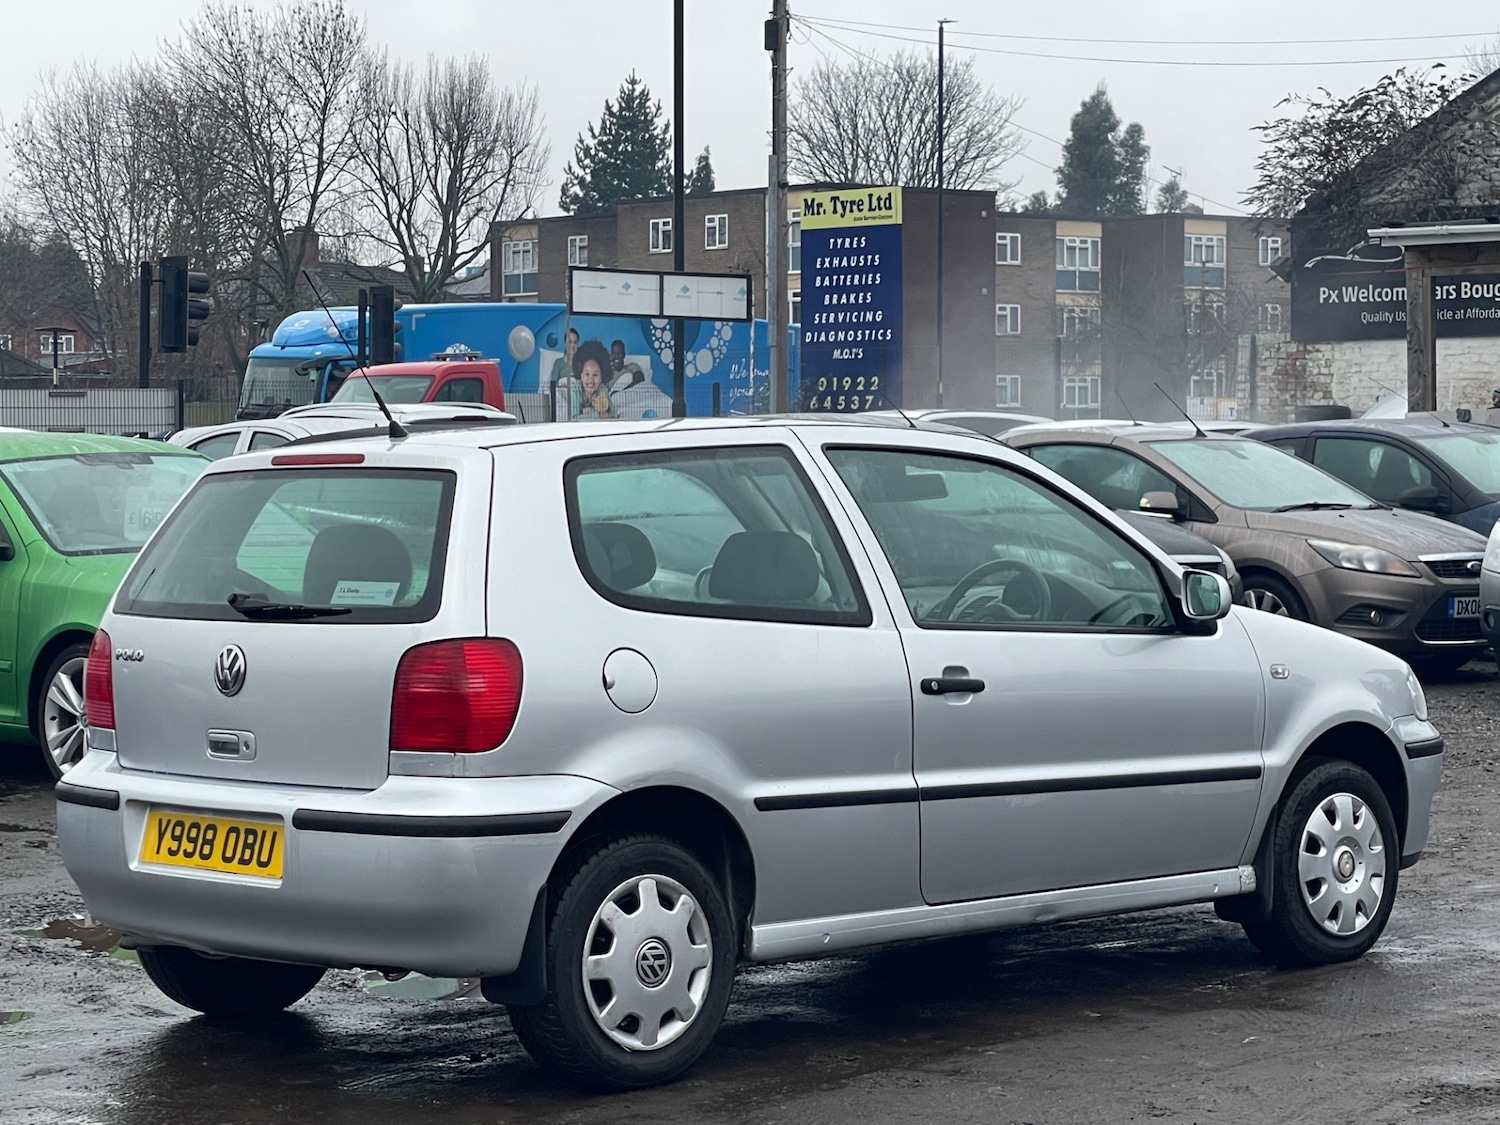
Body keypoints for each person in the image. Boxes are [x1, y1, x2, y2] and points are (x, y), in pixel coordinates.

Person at [573, 339, 614, 419]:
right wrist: (597, 415)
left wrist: (585, 413)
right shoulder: (575, 390)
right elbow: (573, 418)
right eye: (587, 374)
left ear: (601, 377)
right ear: (581, 376)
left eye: (595, 375)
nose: (590, 380)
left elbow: (612, 414)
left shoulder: (602, 389)